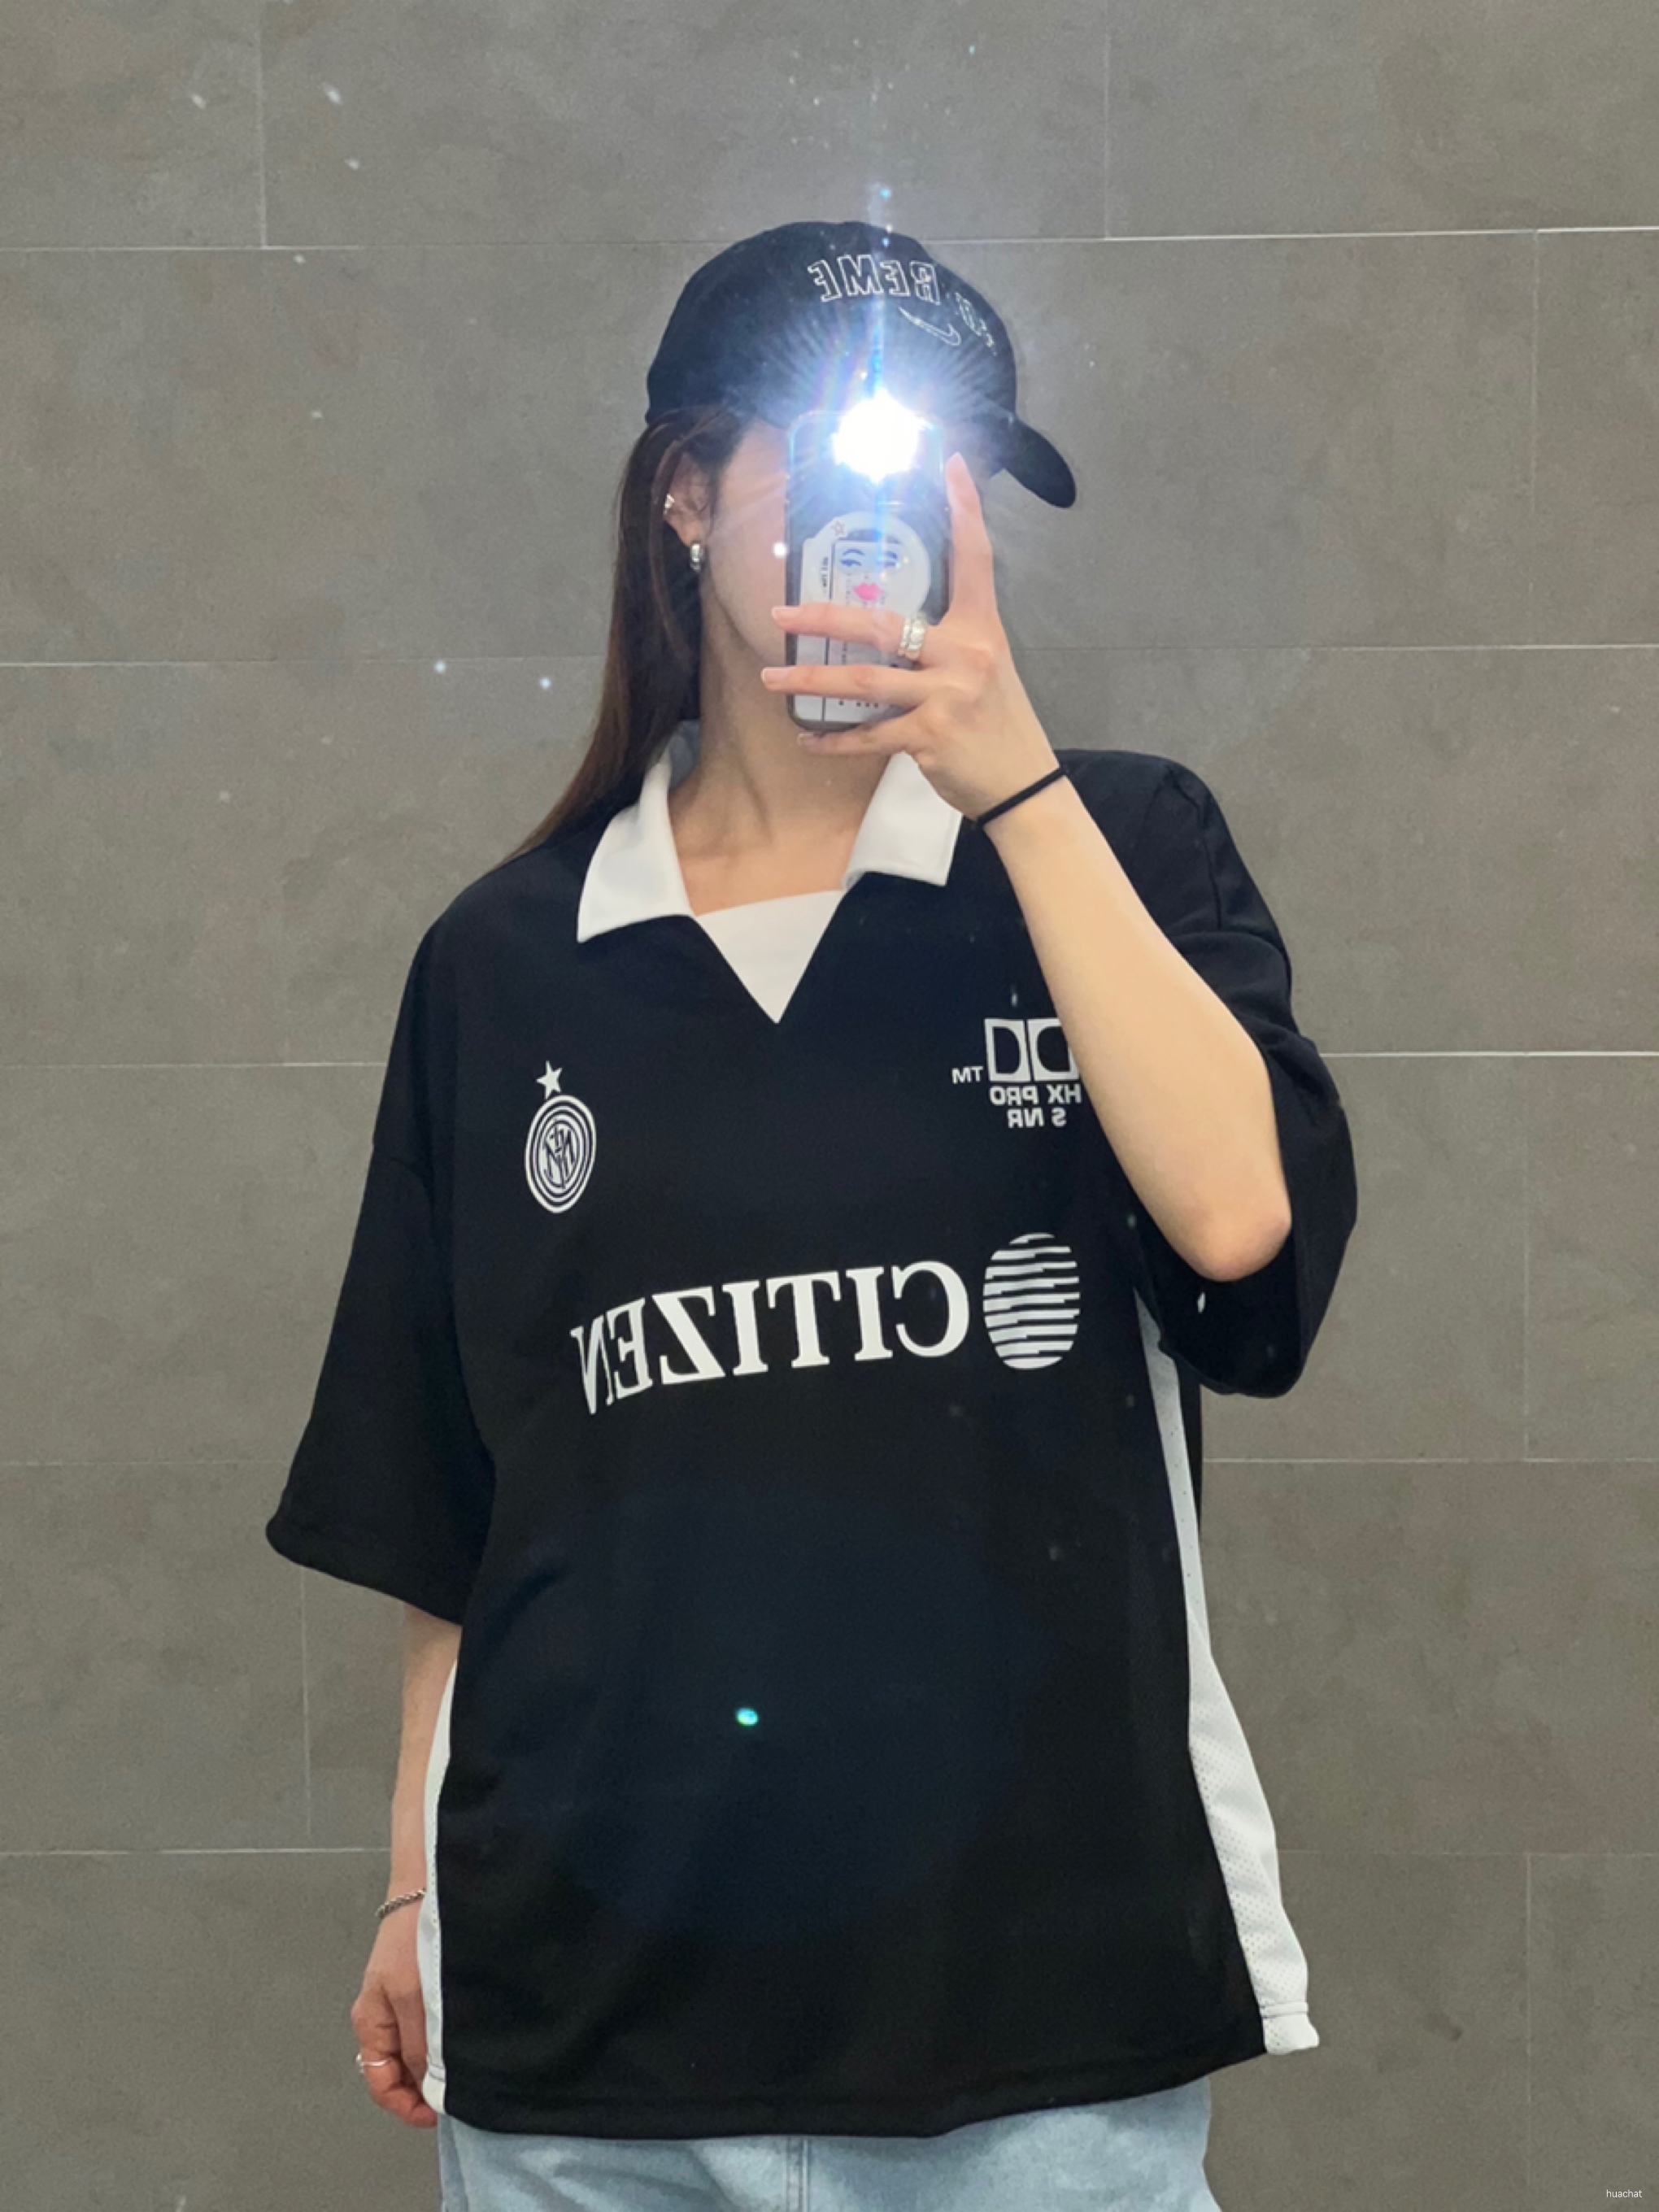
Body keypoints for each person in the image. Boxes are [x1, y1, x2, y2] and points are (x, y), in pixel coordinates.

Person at [265, 217, 1359, 2211]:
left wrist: (1014, 784)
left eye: (946, 475)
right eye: (841, 462)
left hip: (1029, 2021)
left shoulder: (1115, 841)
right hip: (588, 2038)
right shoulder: (505, 961)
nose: (890, 527)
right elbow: (456, 1491)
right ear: (686, 494)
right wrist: (413, 1887)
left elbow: (1238, 1232)